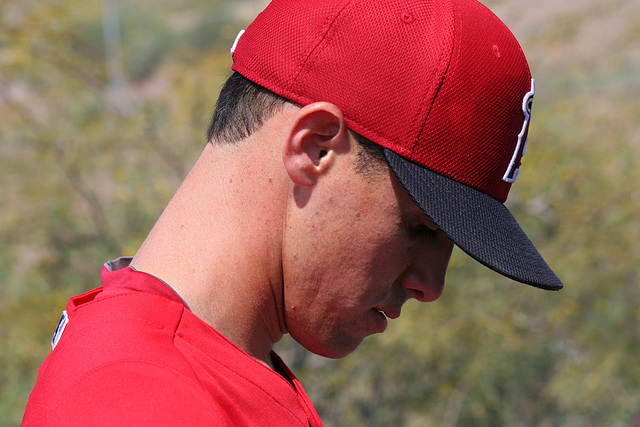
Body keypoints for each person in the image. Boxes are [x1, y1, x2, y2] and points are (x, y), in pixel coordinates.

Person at [23, 0, 563, 425]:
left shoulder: (203, 369)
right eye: (422, 227)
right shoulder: (141, 399)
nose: (431, 284)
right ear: (315, 148)